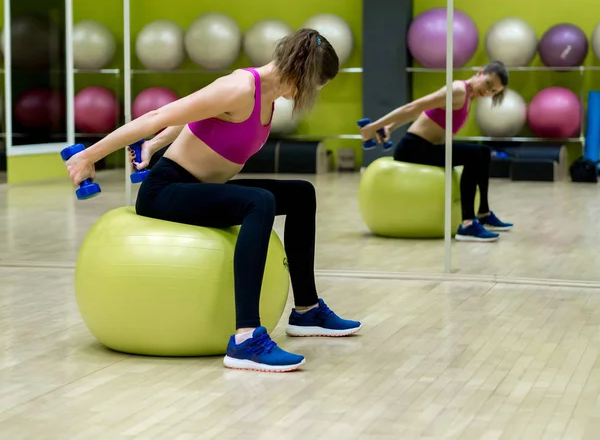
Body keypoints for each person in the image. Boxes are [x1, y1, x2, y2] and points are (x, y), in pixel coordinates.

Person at [65, 28, 361, 373]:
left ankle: (307, 311)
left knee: (300, 193)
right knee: (259, 201)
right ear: (304, 77)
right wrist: (88, 156)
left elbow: (192, 114)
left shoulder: (265, 96)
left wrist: (152, 145)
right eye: (316, 87)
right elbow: (155, 116)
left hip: (200, 188)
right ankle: (246, 338)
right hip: (167, 192)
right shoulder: (239, 88)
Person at [359, 61, 514, 242]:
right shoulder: (458, 91)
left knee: (483, 152)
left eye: (493, 91)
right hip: (414, 149)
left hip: (428, 148)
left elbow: (425, 113)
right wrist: (375, 126)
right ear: (480, 73)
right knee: (475, 154)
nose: (487, 92)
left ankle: (483, 213)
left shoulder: (467, 97)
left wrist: (389, 128)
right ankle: (467, 223)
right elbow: (414, 107)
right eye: (488, 84)